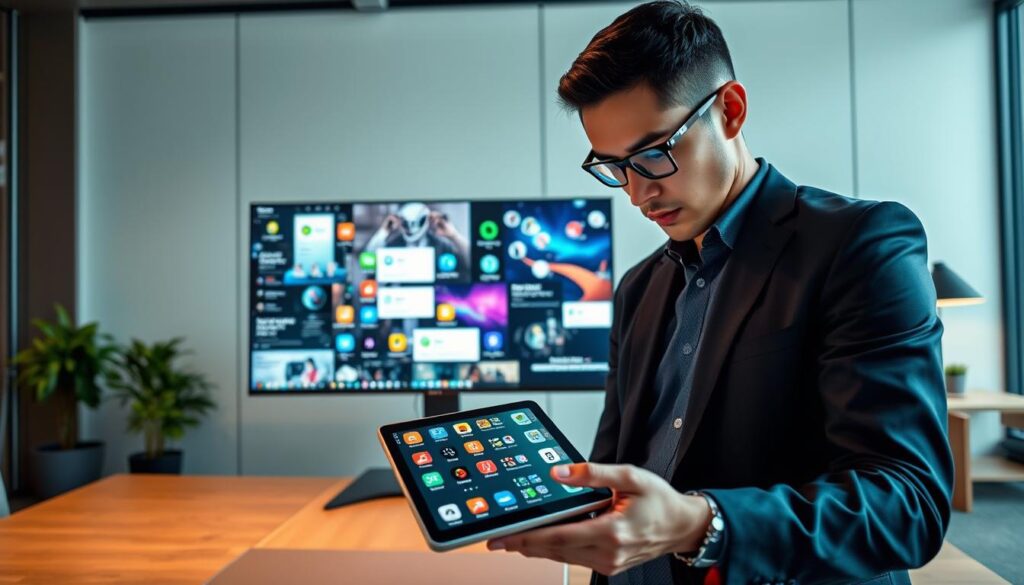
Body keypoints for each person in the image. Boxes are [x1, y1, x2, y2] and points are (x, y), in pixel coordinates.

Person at [486, 3, 953, 584]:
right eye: (615, 168)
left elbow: (907, 505)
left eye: (653, 155)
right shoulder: (639, 287)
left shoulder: (860, 244)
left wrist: (698, 524)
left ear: (730, 110)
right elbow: (614, 473)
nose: (636, 194)